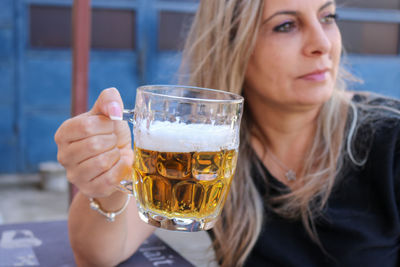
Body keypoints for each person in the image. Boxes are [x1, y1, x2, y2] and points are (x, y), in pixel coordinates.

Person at [54, 0, 400, 266]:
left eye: (328, 17)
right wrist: (109, 177)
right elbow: (98, 254)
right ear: (233, 44)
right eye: (286, 26)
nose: (322, 44)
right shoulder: (208, 143)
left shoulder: (390, 137)